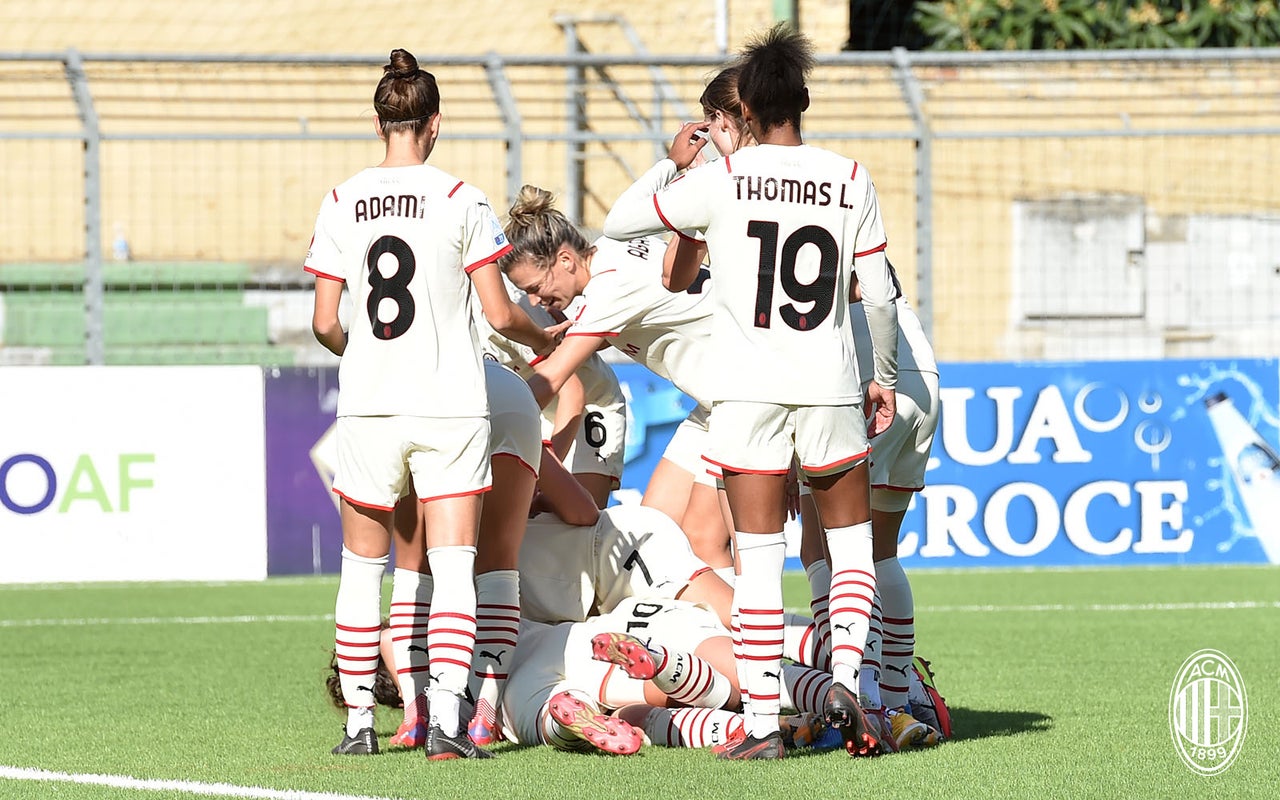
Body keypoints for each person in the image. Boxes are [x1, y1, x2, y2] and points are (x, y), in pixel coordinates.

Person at [603, 25, 901, 760]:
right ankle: (846, 684)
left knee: (759, 559)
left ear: (748, 110)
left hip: (749, 396)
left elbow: (616, 224)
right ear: (802, 100)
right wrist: (883, 378)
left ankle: (764, 726)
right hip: (828, 385)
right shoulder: (850, 175)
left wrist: (675, 167)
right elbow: (882, 296)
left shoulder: (725, 179)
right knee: (851, 550)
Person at [305, 48, 558, 760]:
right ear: (434, 123)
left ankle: (359, 726)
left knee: (363, 568)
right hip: (449, 404)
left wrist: (365, 353)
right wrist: (546, 339)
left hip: (371, 407)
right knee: (454, 564)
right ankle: (447, 722)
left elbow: (326, 322)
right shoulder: (461, 199)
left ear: (380, 120)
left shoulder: (341, 200)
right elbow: (501, 315)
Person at [498, 187, 735, 579]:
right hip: (714, 406)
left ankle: (756, 638)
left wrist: (496, 423)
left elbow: (554, 377)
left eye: (536, 288)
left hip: (741, 399)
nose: (537, 301)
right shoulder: (615, 246)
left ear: (565, 259)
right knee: (654, 533)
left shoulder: (609, 290)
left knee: (703, 539)